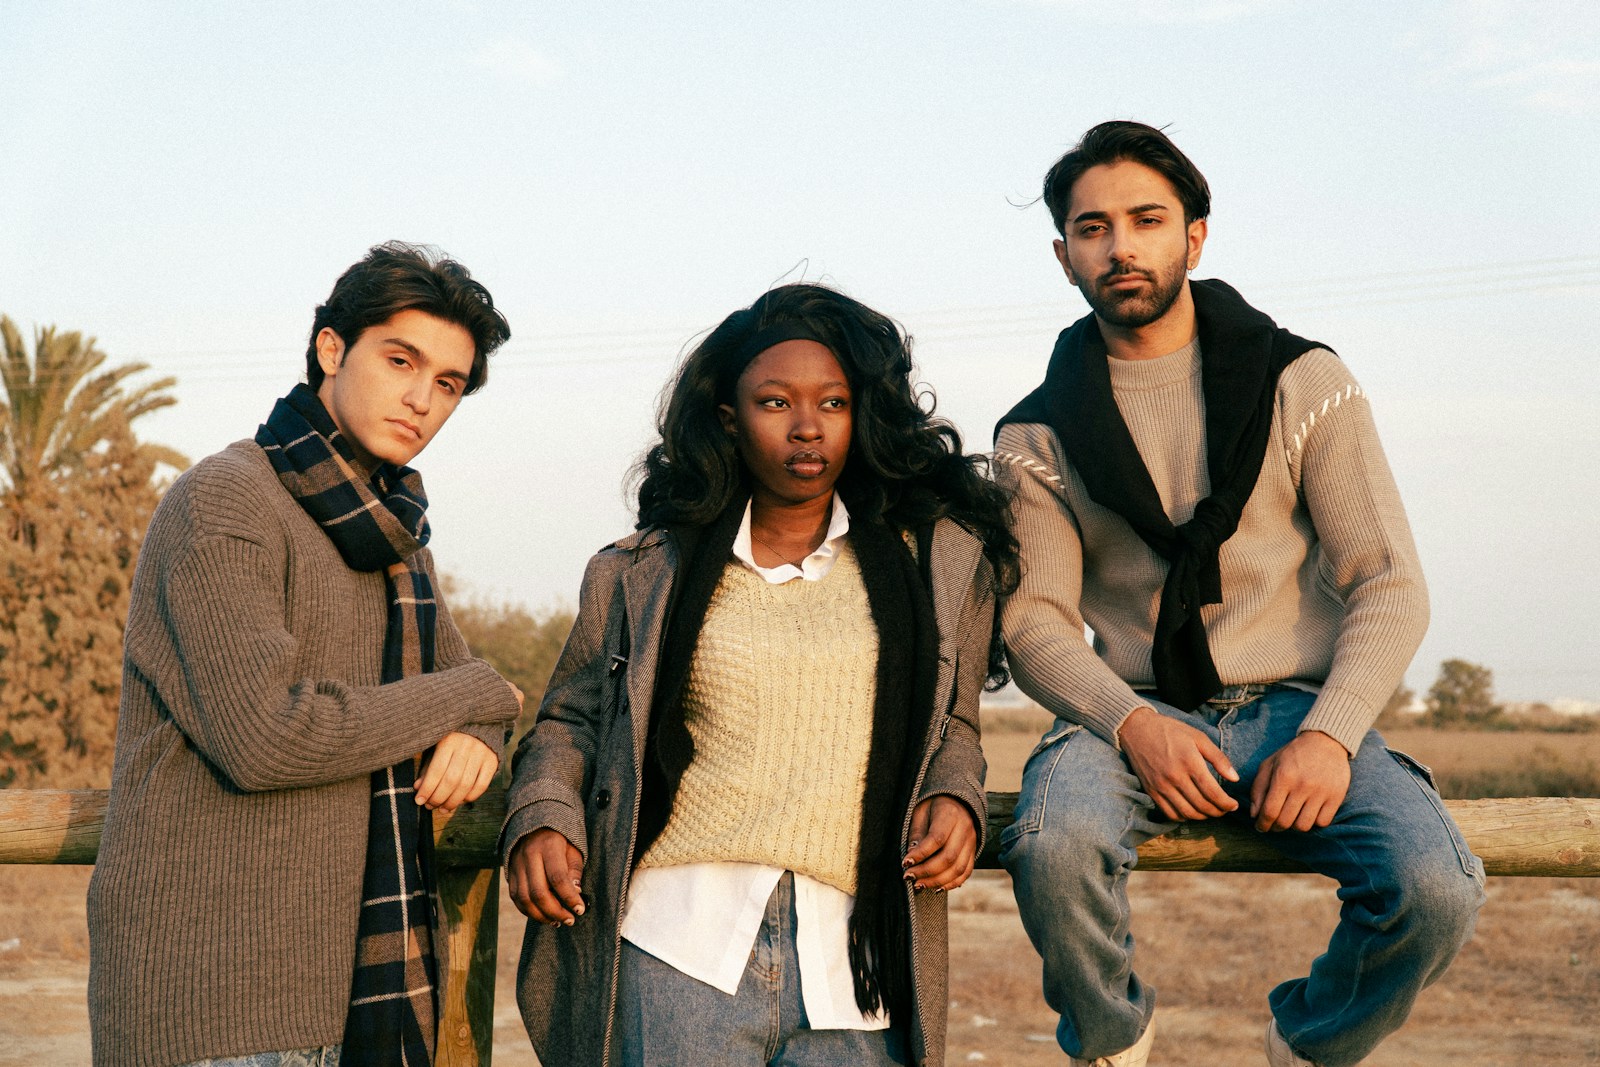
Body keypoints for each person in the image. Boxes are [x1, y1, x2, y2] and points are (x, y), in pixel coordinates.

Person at [993, 121, 1485, 1067]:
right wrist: (1132, 722)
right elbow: (1033, 623)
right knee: (1051, 847)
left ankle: (1309, 1040)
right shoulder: (1037, 433)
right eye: (1093, 229)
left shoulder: (1305, 381)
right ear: (1064, 257)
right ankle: (1114, 1038)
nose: (1122, 246)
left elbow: (1388, 581)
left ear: (1197, 235)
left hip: (1296, 708)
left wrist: (1331, 734)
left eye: (1147, 219)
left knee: (1435, 887)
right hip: (1131, 711)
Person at [503, 282, 1018, 1067]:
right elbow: (570, 720)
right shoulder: (644, 571)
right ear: (729, 421)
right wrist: (543, 812)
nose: (807, 426)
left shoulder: (934, 568)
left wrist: (957, 794)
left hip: (858, 962)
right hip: (679, 947)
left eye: (834, 403)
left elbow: (952, 726)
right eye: (775, 402)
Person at [87, 241, 524, 1067]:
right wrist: (470, 694)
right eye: (401, 359)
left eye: (447, 383)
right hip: (217, 1003)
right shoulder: (228, 498)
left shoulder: (397, 538)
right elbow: (267, 733)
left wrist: (481, 727)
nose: (421, 399)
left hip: (353, 995)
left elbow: (479, 701)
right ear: (331, 348)